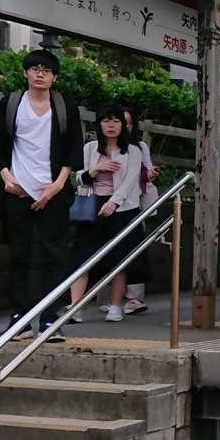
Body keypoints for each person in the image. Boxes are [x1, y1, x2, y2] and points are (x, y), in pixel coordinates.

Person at [0, 49, 84, 340]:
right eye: (35, 69)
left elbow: (73, 150)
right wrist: (8, 179)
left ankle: (50, 318)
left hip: (54, 191)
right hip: (17, 191)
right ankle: (19, 317)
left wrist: (57, 185)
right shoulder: (11, 103)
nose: (40, 74)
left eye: (46, 70)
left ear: (54, 77)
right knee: (19, 254)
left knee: (54, 255)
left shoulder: (64, 106)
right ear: (25, 73)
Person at [69, 106, 148, 322]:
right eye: (106, 121)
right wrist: (95, 170)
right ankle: (75, 307)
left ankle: (115, 306)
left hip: (122, 208)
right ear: (99, 124)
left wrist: (114, 201)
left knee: (118, 259)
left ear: (123, 125)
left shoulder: (133, 151)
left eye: (115, 121)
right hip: (91, 206)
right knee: (83, 257)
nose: (111, 126)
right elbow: (77, 178)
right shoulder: (90, 148)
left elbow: (131, 180)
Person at [119, 105, 160, 315]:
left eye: (127, 123)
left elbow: (147, 170)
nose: (124, 126)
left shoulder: (140, 147)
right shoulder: (99, 147)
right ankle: (110, 298)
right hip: (109, 203)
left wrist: (150, 174)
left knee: (135, 249)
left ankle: (134, 298)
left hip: (135, 203)